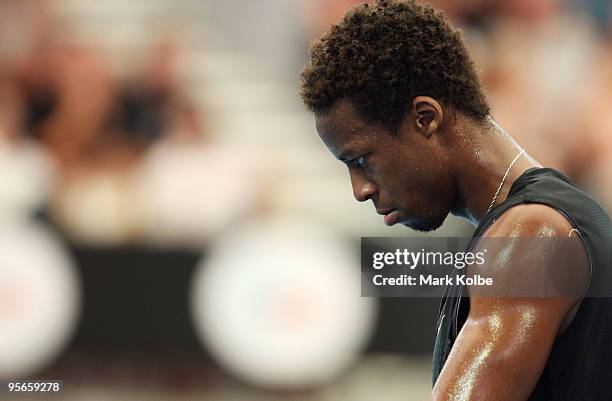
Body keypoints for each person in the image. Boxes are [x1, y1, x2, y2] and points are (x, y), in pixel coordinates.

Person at [298, 1, 612, 400]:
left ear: (426, 118)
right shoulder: (521, 228)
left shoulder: (530, 235)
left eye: (361, 160)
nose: (360, 189)